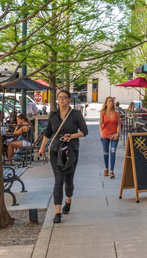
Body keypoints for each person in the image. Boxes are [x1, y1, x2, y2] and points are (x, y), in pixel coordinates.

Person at [39, 89, 88, 224]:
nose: (61, 100)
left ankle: (68, 200)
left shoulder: (76, 115)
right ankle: (57, 212)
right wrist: (42, 147)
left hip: (71, 151)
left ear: (68, 99)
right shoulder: (53, 115)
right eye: (59, 97)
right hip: (55, 149)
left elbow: (85, 131)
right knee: (58, 180)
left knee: (69, 180)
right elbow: (48, 132)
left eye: (64, 97)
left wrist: (71, 136)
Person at [99, 96, 121, 179]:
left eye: (112, 101)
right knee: (105, 152)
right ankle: (106, 168)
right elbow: (100, 124)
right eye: (109, 101)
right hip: (105, 135)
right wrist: (101, 133)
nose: (111, 103)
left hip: (114, 135)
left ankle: (111, 170)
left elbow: (119, 124)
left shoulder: (117, 112)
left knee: (113, 152)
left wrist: (118, 133)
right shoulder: (103, 112)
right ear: (106, 103)